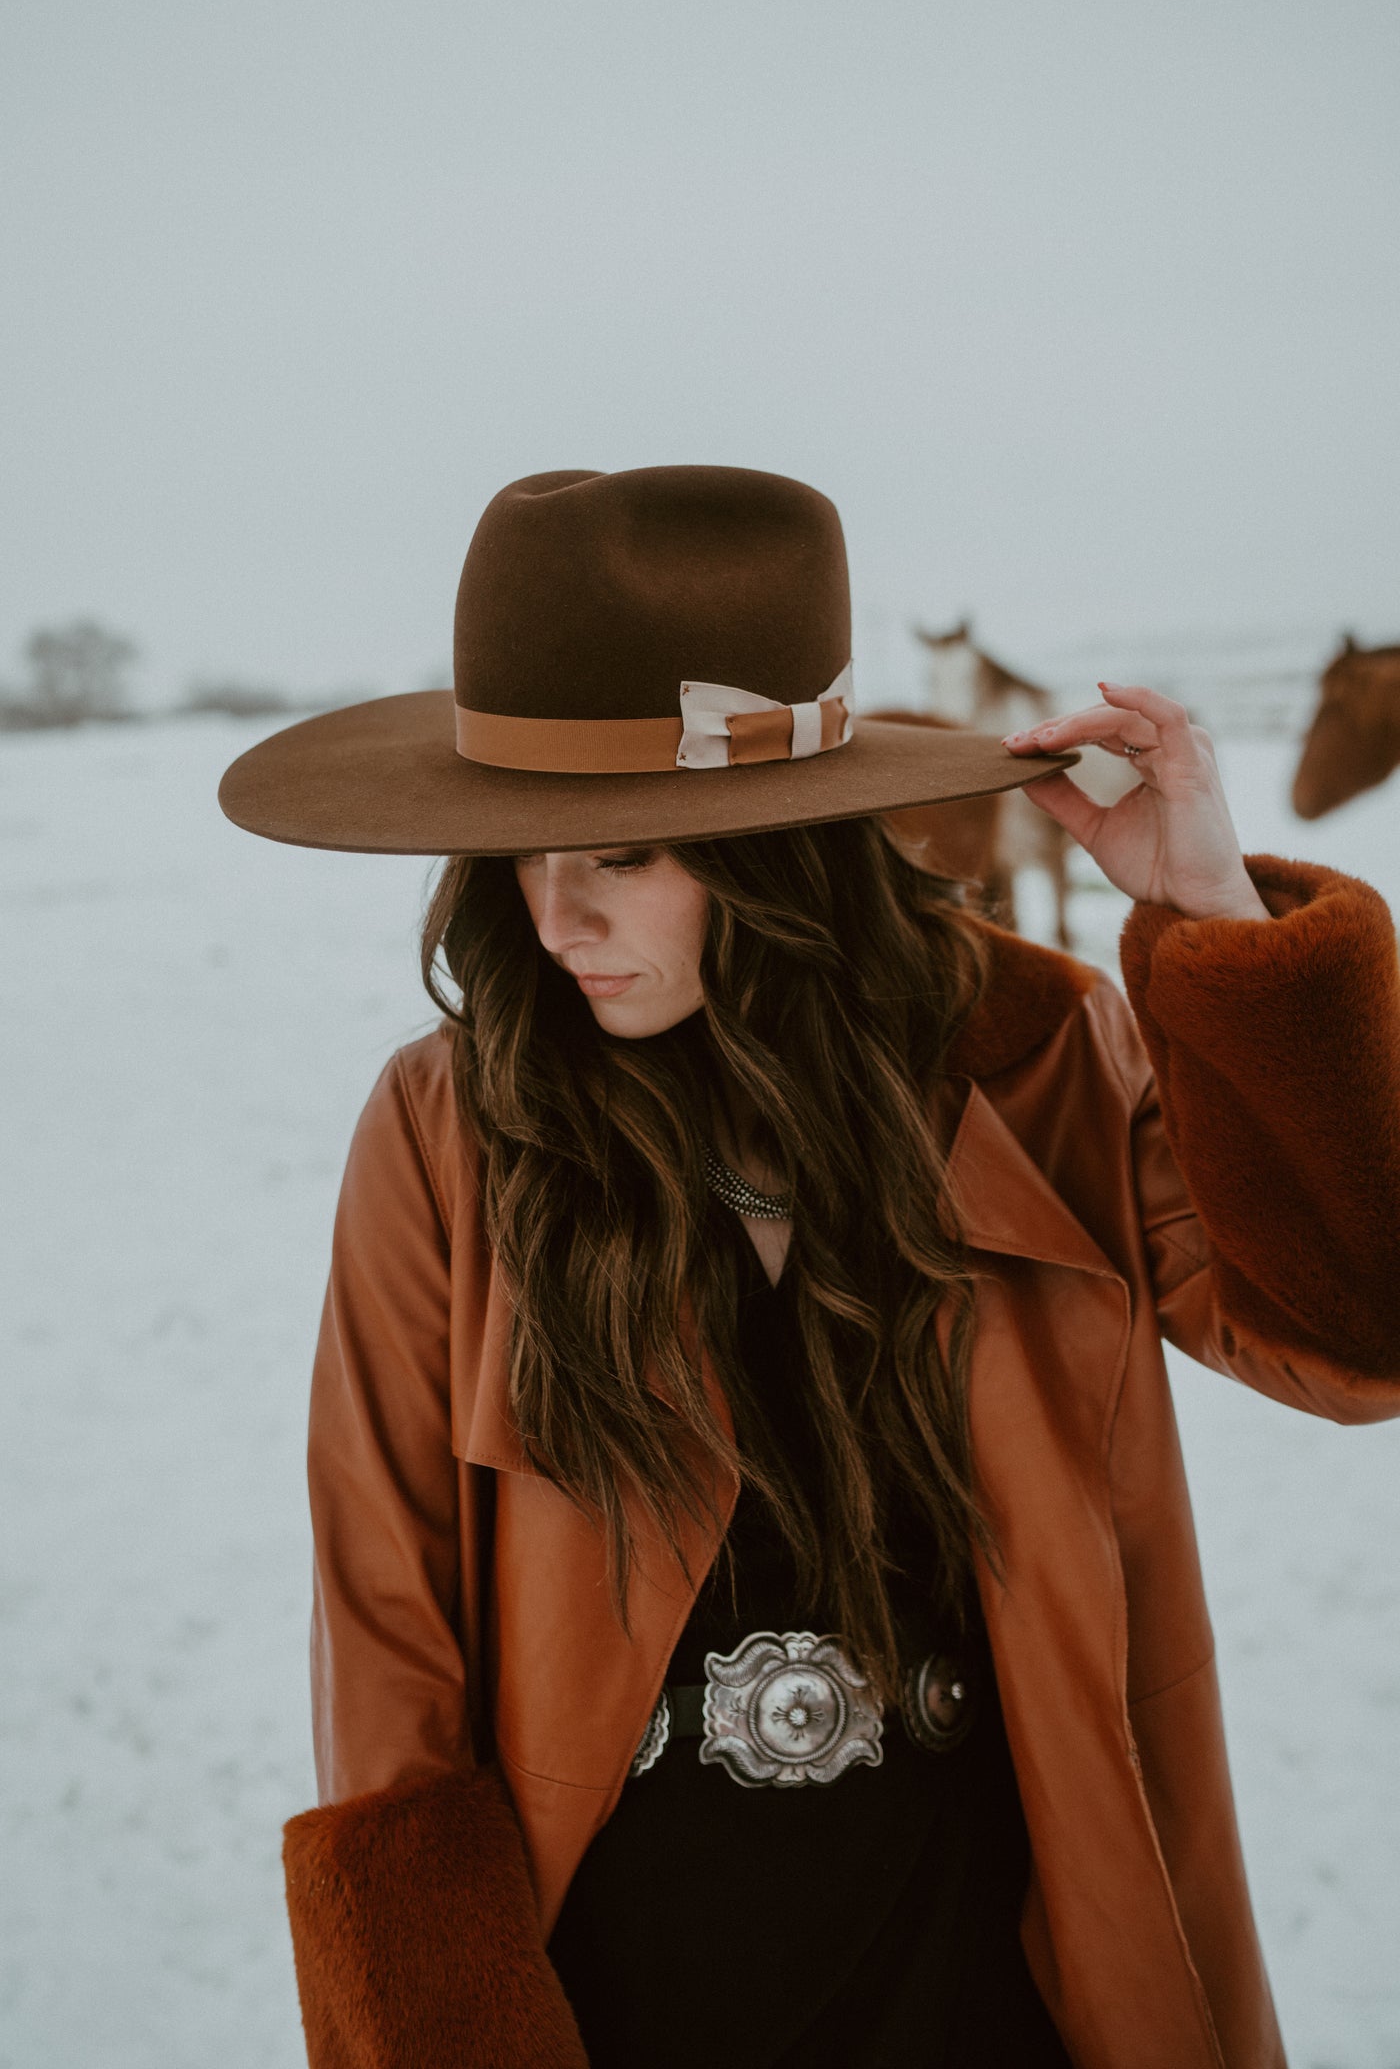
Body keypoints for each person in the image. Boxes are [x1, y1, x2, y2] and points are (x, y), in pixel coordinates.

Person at [219, 465, 1400, 2069]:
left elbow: (1354, 1346)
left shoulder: (1031, 1062)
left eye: (623, 857)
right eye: (518, 850)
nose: (555, 922)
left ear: (774, 842)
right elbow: (385, 1648)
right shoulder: (451, 1129)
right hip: (620, 1990)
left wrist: (1217, 921)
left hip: (994, 1971)